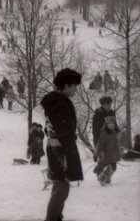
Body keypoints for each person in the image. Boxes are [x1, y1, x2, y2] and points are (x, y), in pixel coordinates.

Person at [40, 68, 83, 221]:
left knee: (61, 186)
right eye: (74, 86)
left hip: (55, 147)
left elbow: (49, 128)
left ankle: (55, 217)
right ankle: (52, 218)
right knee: (61, 187)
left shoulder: (54, 102)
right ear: (65, 85)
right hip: (61, 150)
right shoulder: (60, 104)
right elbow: (63, 130)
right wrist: (69, 145)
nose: (76, 89)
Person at [93, 116, 120, 185]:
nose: (112, 125)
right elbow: (99, 144)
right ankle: (103, 178)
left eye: (113, 123)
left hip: (113, 153)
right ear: (106, 125)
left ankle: (105, 178)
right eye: (110, 123)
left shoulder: (115, 132)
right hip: (106, 153)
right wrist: (96, 154)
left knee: (113, 168)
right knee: (110, 167)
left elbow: (116, 142)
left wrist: (119, 148)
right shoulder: (104, 133)